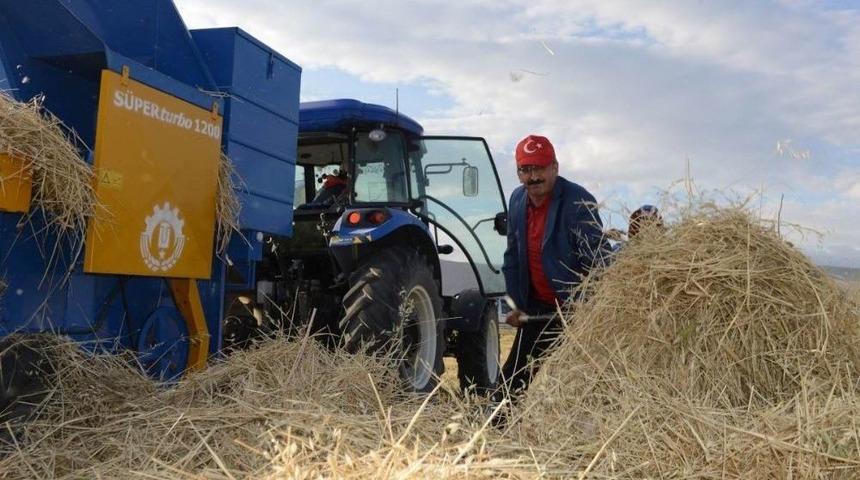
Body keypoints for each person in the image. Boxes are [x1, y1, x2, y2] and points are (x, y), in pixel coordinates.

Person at [495, 134, 606, 405]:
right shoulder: (517, 200)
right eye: (525, 169)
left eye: (539, 168)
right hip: (537, 309)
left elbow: (598, 262)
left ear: (555, 167)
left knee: (581, 384)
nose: (533, 177)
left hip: (576, 312)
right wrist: (515, 304)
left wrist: (588, 307)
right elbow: (512, 257)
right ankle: (497, 436)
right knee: (511, 382)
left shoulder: (578, 202)